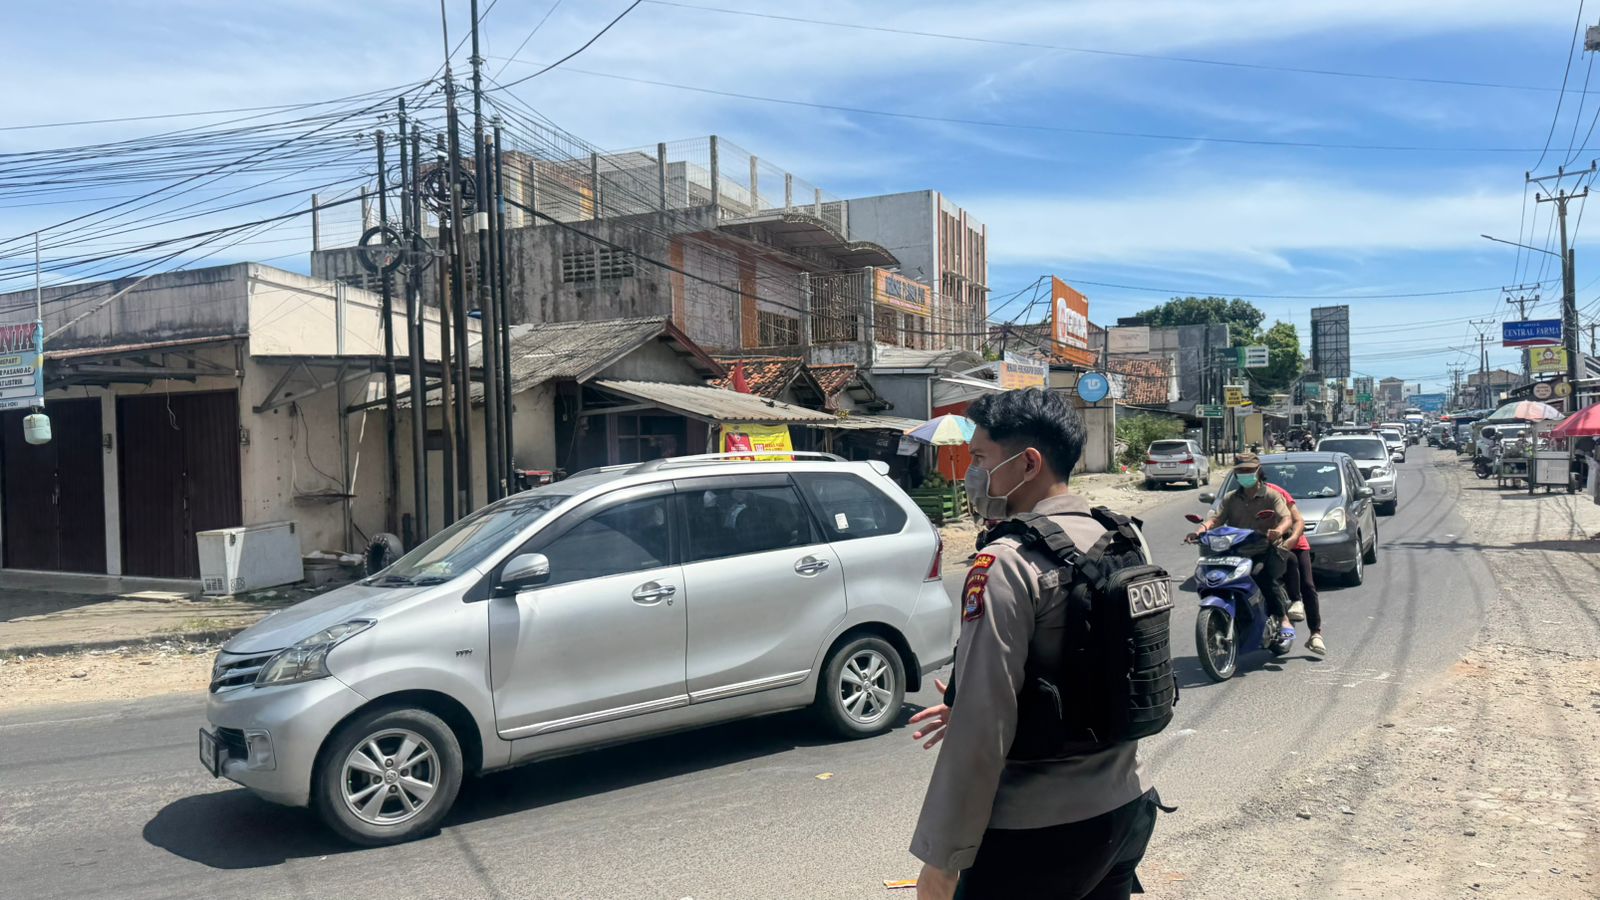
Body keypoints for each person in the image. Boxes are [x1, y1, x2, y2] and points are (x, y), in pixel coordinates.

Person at [907, 389, 1163, 900]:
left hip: (1036, 833)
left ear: (1028, 463)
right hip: (1126, 808)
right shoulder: (1125, 538)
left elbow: (983, 729)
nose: (972, 473)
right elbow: (1110, 670)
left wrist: (944, 860)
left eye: (980, 458)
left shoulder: (1006, 562)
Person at [1189, 452, 1294, 643]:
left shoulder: (1271, 495)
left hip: (1264, 550)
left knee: (1262, 576)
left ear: (1258, 471)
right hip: (1235, 551)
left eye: (1248, 470)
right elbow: (1215, 520)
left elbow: (1287, 518)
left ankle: (1283, 618)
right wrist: (1199, 532)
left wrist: (1278, 531)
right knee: (1215, 577)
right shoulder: (1231, 498)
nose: (1245, 474)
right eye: (1240, 471)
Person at [1260, 468, 1327, 656]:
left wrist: (1291, 540)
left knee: (1307, 584)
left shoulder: (1277, 493)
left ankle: (1315, 633)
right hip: (1262, 546)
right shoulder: (1238, 498)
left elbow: (1298, 520)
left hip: (1292, 544)